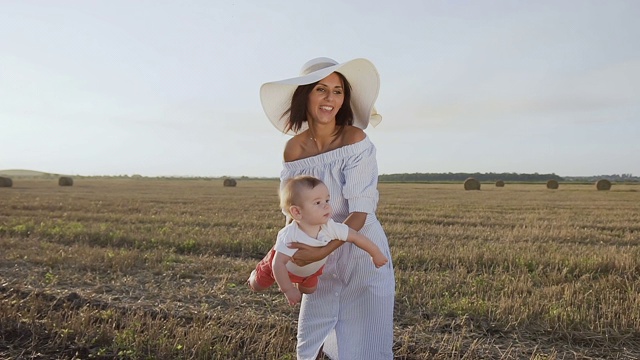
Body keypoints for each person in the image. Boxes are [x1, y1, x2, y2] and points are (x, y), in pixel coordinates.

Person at [260, 57, 395, 359]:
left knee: (366, 342)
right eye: (321, 89)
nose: (330, 99)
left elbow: (360, 211)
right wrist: (284, 253)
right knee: (311, 342)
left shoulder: (355, 140)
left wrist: (321, 251)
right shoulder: (293, 148)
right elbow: (292, 209)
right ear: (305, 94)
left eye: (337, 91)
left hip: (359, 249)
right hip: (316, 246)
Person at [247, 175, 388, 306]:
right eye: (318, 202)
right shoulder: (290, 235)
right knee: (258, 285)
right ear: (297, 212)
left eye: (327, 200)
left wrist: (375, 253)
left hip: (311, 270)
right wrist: (288, 289)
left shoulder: (330, 227)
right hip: (283, 268)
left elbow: (355, 236)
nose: (326, 205)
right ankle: (255, 274)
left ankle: (300, 282)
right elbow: (278, 265)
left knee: (309, 290)